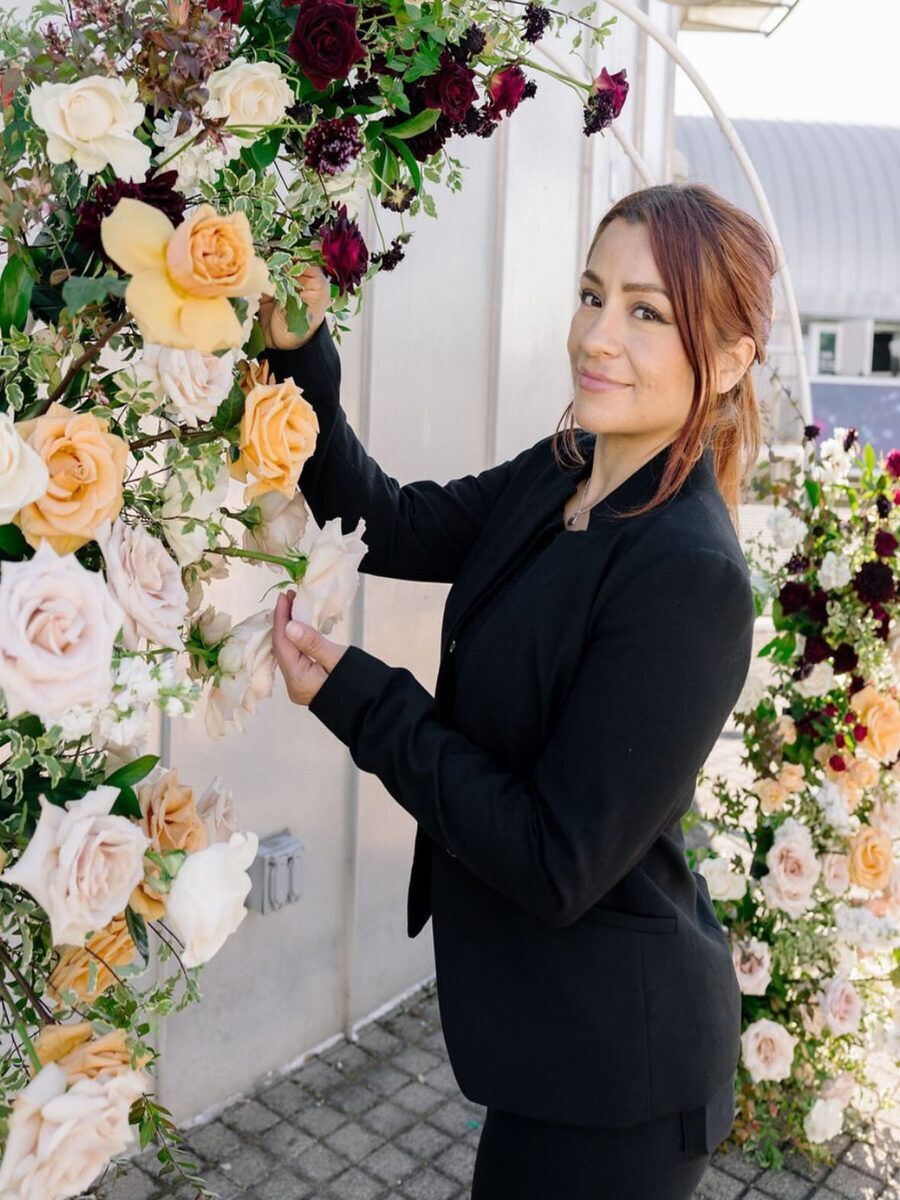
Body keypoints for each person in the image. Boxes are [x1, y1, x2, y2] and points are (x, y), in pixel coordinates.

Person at [265, 182, 777, 1199]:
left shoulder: (691, 576)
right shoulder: (566, 469)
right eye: (593, 294)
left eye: (646, 311)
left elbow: (556, 858)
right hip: (548, 1040)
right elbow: (392, 522)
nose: (598, 335)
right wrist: (301, 352)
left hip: (620, 1076)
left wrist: (367, 702)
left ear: (725, 359)